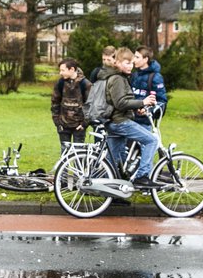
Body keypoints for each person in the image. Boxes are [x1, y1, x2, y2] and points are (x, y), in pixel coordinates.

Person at [103, 47, 160, 187]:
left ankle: (112, 193)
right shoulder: (117, 79)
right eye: (127, 63)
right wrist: (143, 102)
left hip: (115, 121)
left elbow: (121, 103)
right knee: (151, 140)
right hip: (120, 122)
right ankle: (142, 176)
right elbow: (120, 103)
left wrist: (137, 109)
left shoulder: (121, 77)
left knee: (114, 160)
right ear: (117, 63)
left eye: (132, 63)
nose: (131, 66)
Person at [51, 58, 90, 148]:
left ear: (72, 69)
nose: (60, 73)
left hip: (79, 127)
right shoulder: (60, 83)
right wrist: (57, 121)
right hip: (63, 125)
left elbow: (90, 105)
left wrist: (84, 124)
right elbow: (55, 102)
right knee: (65, 155)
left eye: (63, 70)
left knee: (78, 155)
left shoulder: (85, 84)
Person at [130, 45, 168, 119]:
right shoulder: (134, 75)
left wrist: (148, 110)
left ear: (145, 59)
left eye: (137, 57)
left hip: (145, 122)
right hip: (131, 119)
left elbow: (161, 102)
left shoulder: (156, 77)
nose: (134, 60)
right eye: (134, 57)